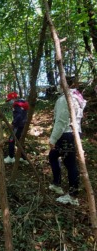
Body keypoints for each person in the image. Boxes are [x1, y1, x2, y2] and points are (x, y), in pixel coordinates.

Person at [48, 76, 86, 206]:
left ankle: (73, 195)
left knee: (70, 164)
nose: (58, 86)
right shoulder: (77, 97)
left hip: (66, 134)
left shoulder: (65, 99)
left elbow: (61, 121)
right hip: (75, 133)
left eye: (60, 83)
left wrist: (53, 138)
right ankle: (57, 183)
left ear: (64, 85)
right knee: (53, 156)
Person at [3, 92, 29, 164]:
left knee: (11, 140)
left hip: (18, 126)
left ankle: (11, 157)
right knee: (20, 141)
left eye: (10, 100)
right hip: (23, 125)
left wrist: (13, 123)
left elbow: (19, 116)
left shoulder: (16, 105)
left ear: (13, 98)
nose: (9, 102)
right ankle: (23, 158)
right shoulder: (22, 104)